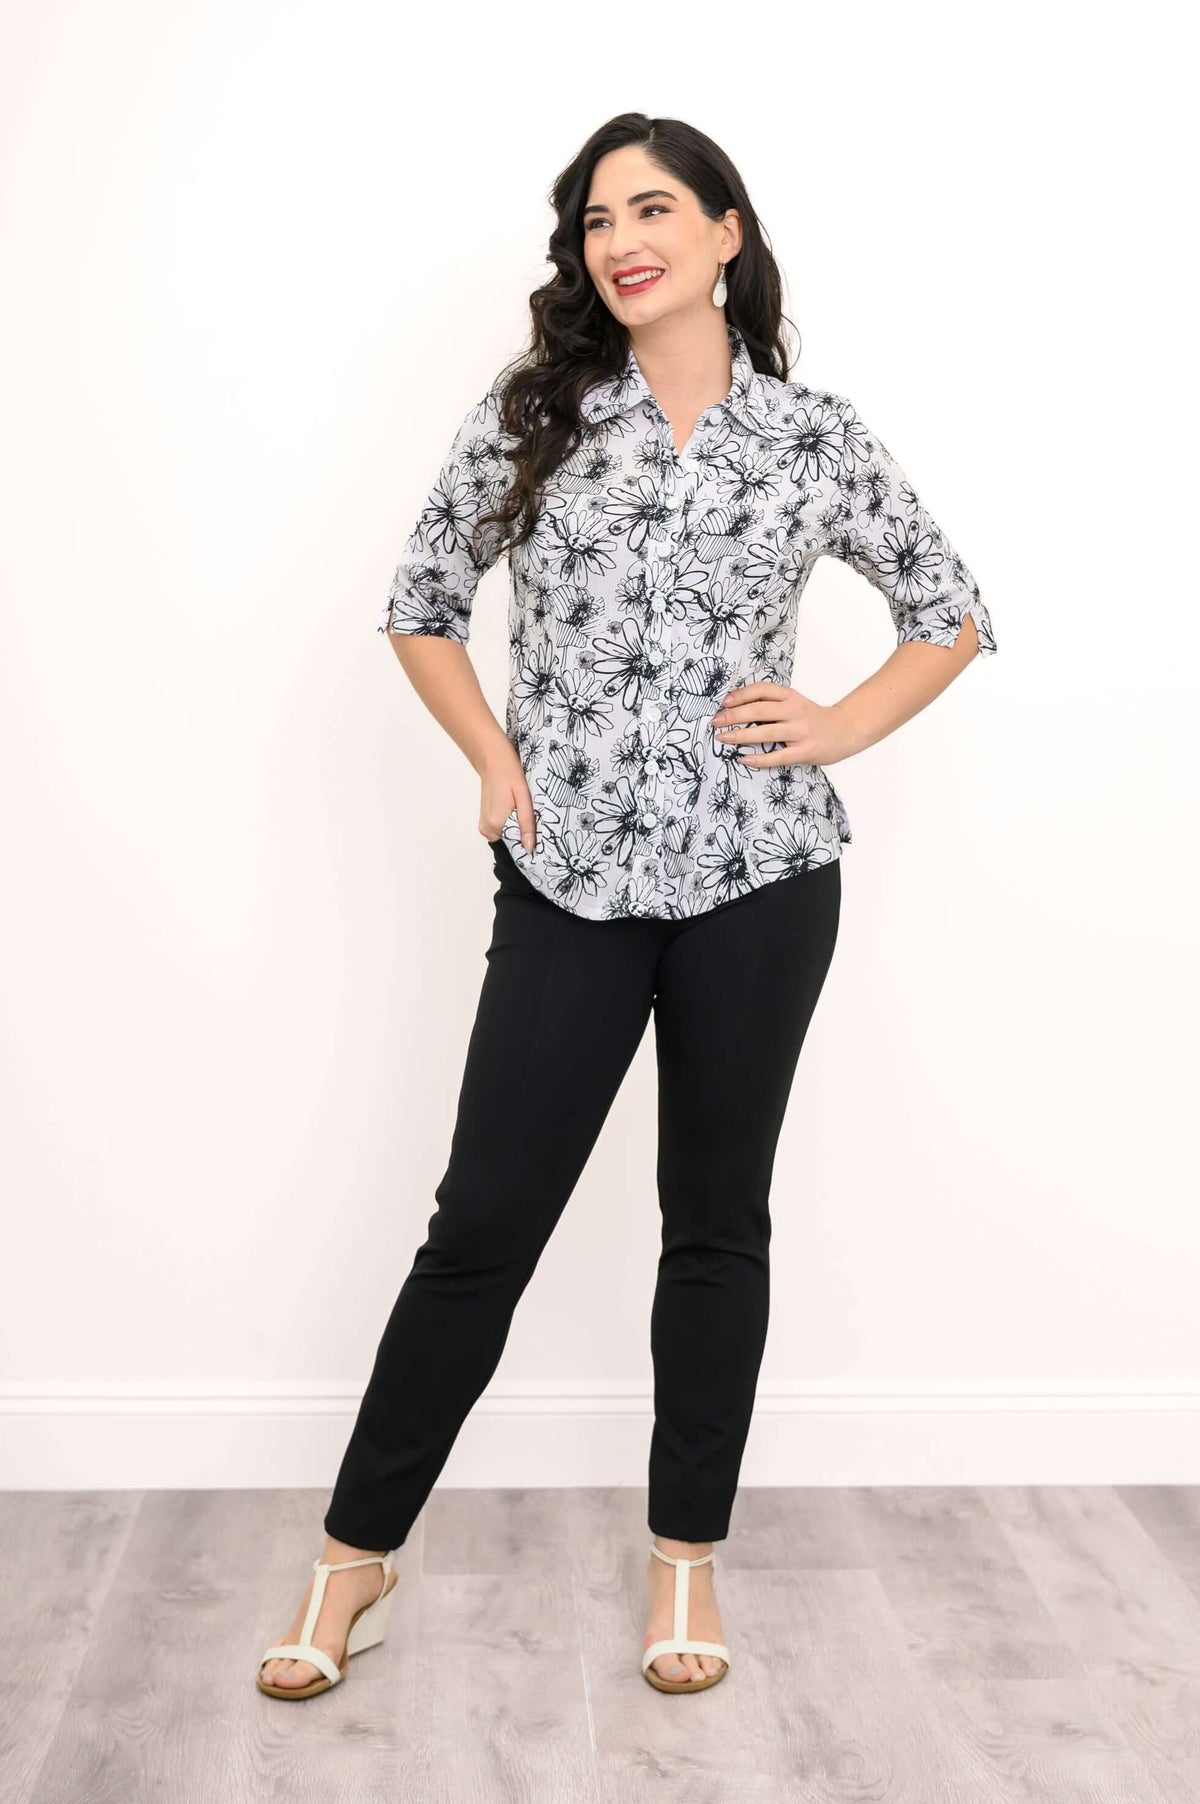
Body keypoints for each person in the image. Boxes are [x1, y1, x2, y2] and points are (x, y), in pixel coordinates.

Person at [256, 110, 996, 1701]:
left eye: (652, 209)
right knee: (482, 1231)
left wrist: (839, 725)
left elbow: (951, 609)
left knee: (714, 1224)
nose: (619, 240)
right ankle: (353, 1563)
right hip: (569, 874)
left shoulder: (815, 438)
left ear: (728, 231)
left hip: (762, 875)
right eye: (596, 220)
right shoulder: (537, 415)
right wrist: (492, 756)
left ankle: (685, 1570)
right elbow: (423, 602)